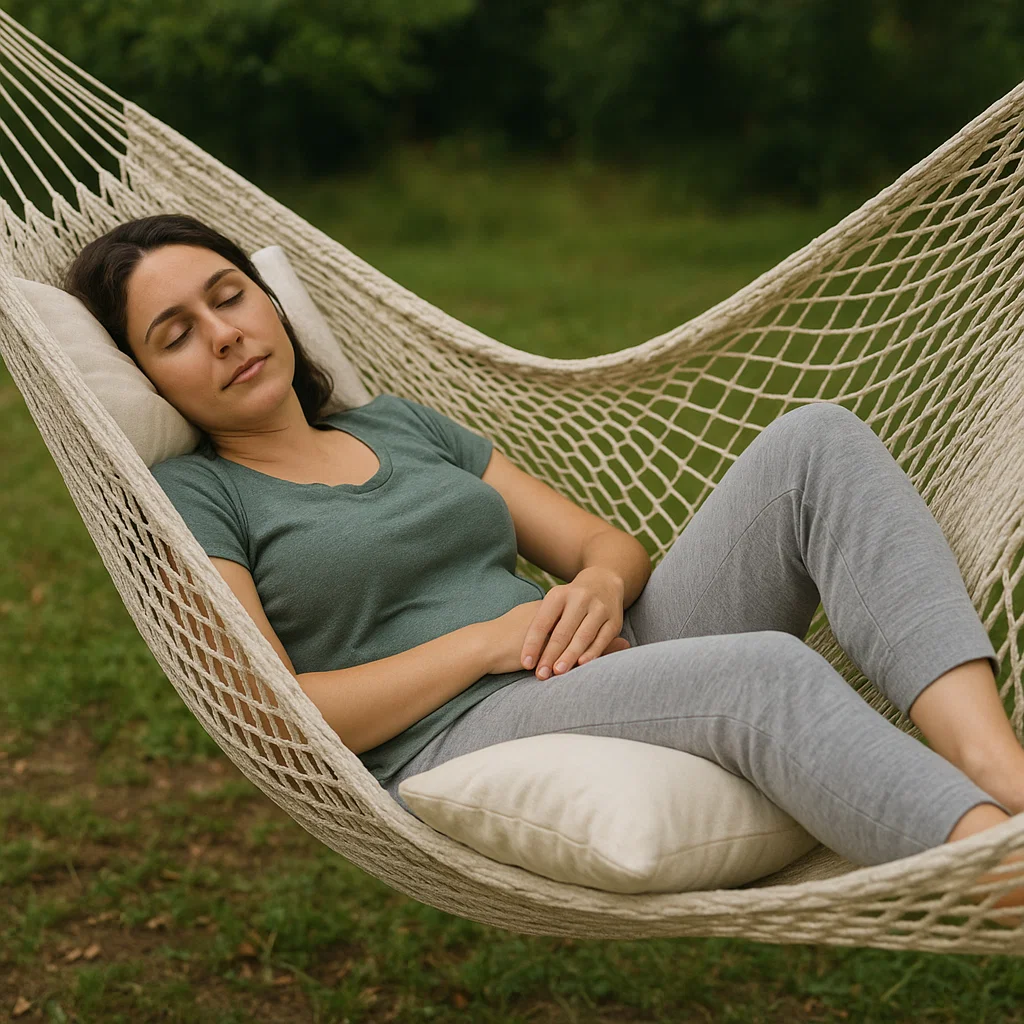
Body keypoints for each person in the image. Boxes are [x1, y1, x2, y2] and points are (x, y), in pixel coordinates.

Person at [65, 213, 1024, 917]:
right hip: (465, 725)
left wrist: (600, 587)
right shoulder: (197, 497)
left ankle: (997, 770)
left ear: (269, 303)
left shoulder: (396, 424)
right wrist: (488, 643)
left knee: (815, 446)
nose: (223, 332)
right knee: (762, 676)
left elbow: (603, 545)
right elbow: (274, 715)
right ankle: (996, 872)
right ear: (152, 380)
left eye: (228, 296)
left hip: (582, 654)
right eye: (176, 334)